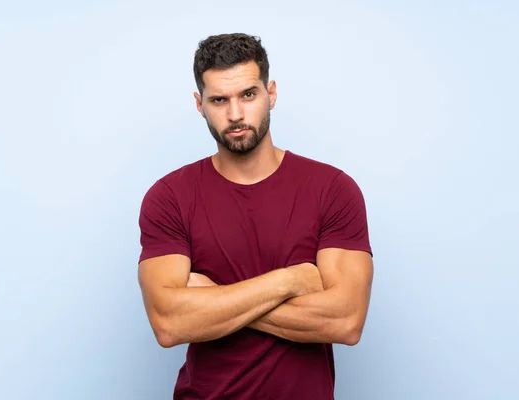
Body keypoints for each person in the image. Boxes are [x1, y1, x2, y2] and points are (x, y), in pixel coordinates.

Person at [137, 33, 374, 400]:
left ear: (271, 93)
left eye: (248, 95)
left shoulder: (333, 190)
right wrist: (291, 281)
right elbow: (169, 324)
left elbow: (346, 321)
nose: (235, 114)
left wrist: (213, 300)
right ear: (200, 104)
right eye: (219, 100)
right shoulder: (169, 198)